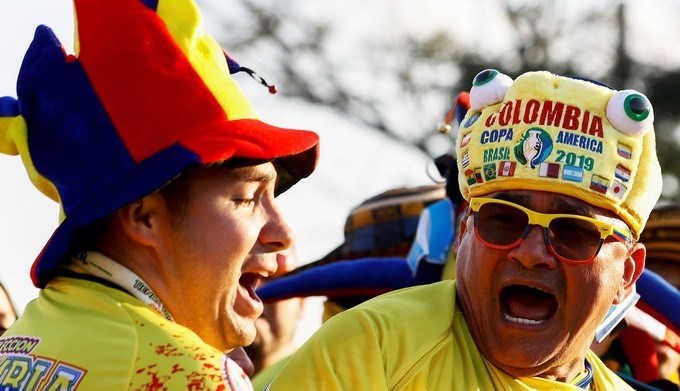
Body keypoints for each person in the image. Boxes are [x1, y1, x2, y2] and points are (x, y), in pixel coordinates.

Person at [267, 69, 662, 390]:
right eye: (502, 220)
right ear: (462, 234)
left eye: (574, 232)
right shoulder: (374, 349)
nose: (529, 252)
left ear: (627, 273)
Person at [0, 0, 318, 389]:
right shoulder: (181, 374)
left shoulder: (17, 345)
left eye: (274, 196)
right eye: (247, 197)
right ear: (143, 217)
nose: (283, 233)